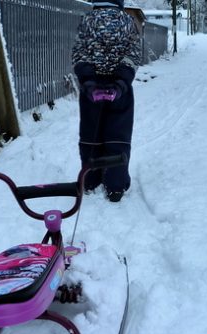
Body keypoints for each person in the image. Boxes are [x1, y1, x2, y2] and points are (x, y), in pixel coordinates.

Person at [71, 0, 141, 202]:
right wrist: (121, 82)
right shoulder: (128, 22)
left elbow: (79, 54)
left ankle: (90, 180)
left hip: (92, 89)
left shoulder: (87, 21)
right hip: (119, 89)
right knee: (118, 135)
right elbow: (133, 55)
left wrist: (88, 81)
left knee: (91, 134)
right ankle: (116, 185)